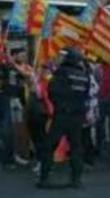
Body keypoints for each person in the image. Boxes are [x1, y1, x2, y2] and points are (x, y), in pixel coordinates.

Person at [37, 49, 91, 189]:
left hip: (62, 115)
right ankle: (76, 178)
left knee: (49, 146)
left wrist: (59, 106)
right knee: (76, 147)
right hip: (77, 115)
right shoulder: (84, 75)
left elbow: (52, 91)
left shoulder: (61, 73)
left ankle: (44, 177)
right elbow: (85, 94)